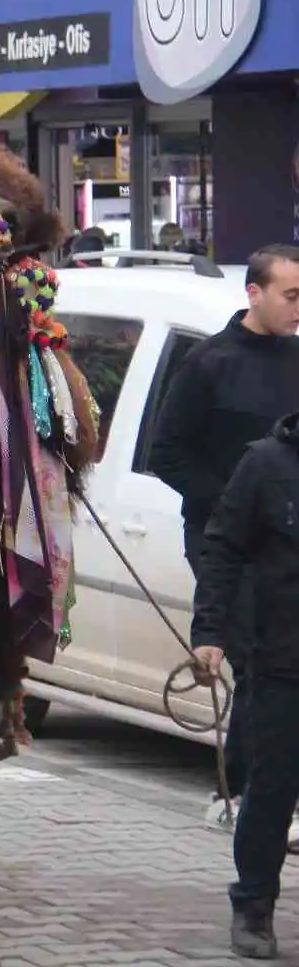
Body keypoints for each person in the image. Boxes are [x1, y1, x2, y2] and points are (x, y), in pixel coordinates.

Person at [153, 243, 299, 831]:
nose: (298, 307)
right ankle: (241, 794)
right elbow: (166, 453)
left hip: (285, 541)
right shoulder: (208, 363)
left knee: (277, 666)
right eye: (290, 295)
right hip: (223, 541)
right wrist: (234, 498)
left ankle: (256, 790)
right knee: (257, 661)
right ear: (254, 293)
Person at [193, 411, 299, 959]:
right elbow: (222, 550)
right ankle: (253, 908)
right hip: (280, 663)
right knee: (274, 793)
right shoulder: (265, 464)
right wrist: (209, 632)